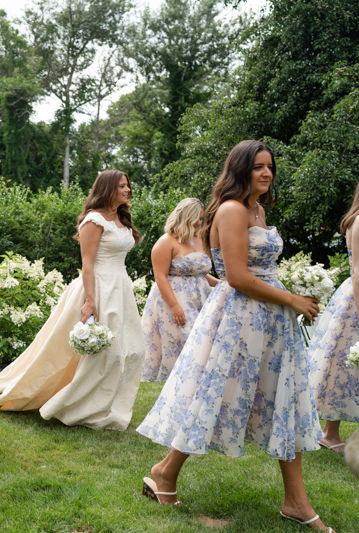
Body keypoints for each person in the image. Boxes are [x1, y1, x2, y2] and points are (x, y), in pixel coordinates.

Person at [136, 140, 333, 532]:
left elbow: (261, 272)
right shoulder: (231, 210)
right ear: (240, 170)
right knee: (217, 396)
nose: (266, 173)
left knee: (284, 400)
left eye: (270, 167)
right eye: (258, 167)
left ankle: (295, 500)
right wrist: (291, 298)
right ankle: (165, 472)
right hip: (239, 320)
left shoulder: (259, 210)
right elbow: (238, 277)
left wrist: (290, 297)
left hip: (272, 320)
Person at [0, 170, 145, 431]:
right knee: (105, 353)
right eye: (122, 186)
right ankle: (79, 406)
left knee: (134, 349)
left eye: (128, 186)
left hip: (120, 287)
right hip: (99, 287)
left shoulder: (121, 217)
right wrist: (90, 302)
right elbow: (88, 263)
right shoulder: (94, 220)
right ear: (108, 189)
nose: (128, 190)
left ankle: (104, 403)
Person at [141, 198, 218, 382]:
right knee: (187, 338)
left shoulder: (200, 239)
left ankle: (199, 381)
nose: (200, 223)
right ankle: (178, 381)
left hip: (201, 299)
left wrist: (223, 284)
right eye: (197, 219)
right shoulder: (165, 242)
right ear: (186, 218)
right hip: (174, 299)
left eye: (201, 218)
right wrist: (175, 305)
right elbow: (160, 277)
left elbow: (200, 272)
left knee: (206, 338)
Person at [308, 181, 359, 453]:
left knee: (345, 366)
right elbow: (358, 272)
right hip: (356, 301)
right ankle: (329, 432)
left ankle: (330, 432)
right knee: (343, 365)